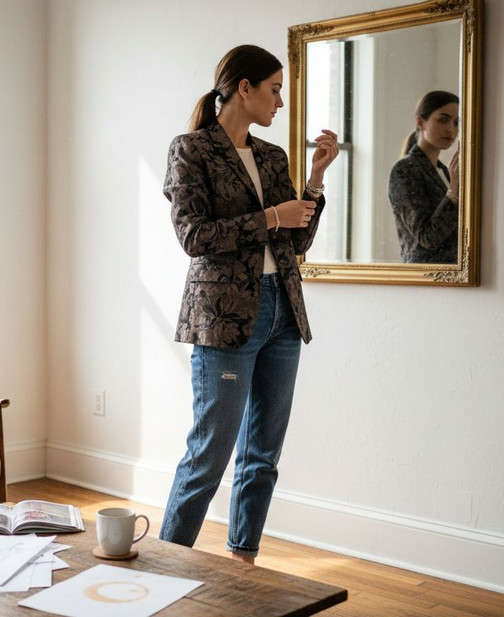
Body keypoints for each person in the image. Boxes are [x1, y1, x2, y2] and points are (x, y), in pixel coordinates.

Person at [159, 44, 338, 565]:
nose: (280, 101)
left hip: (283, 311)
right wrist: (270, 218)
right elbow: (193, 236)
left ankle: (243, 562)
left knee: (262, 455)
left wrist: (316, 178)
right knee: (209, 455)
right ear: (245, 88)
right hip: (226, 319)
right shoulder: (190, 149)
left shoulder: (272, 156)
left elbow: (295, 244)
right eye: (275, 89)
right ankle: (167, 565)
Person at [388, 90, 461, 264]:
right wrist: (454, 192)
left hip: (455, 280)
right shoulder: (404, 170)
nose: (451, 129)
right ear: (420, 122)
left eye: (456, 122)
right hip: (423, 281)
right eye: (443, 120)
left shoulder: (445, 171)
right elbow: (427, 237)